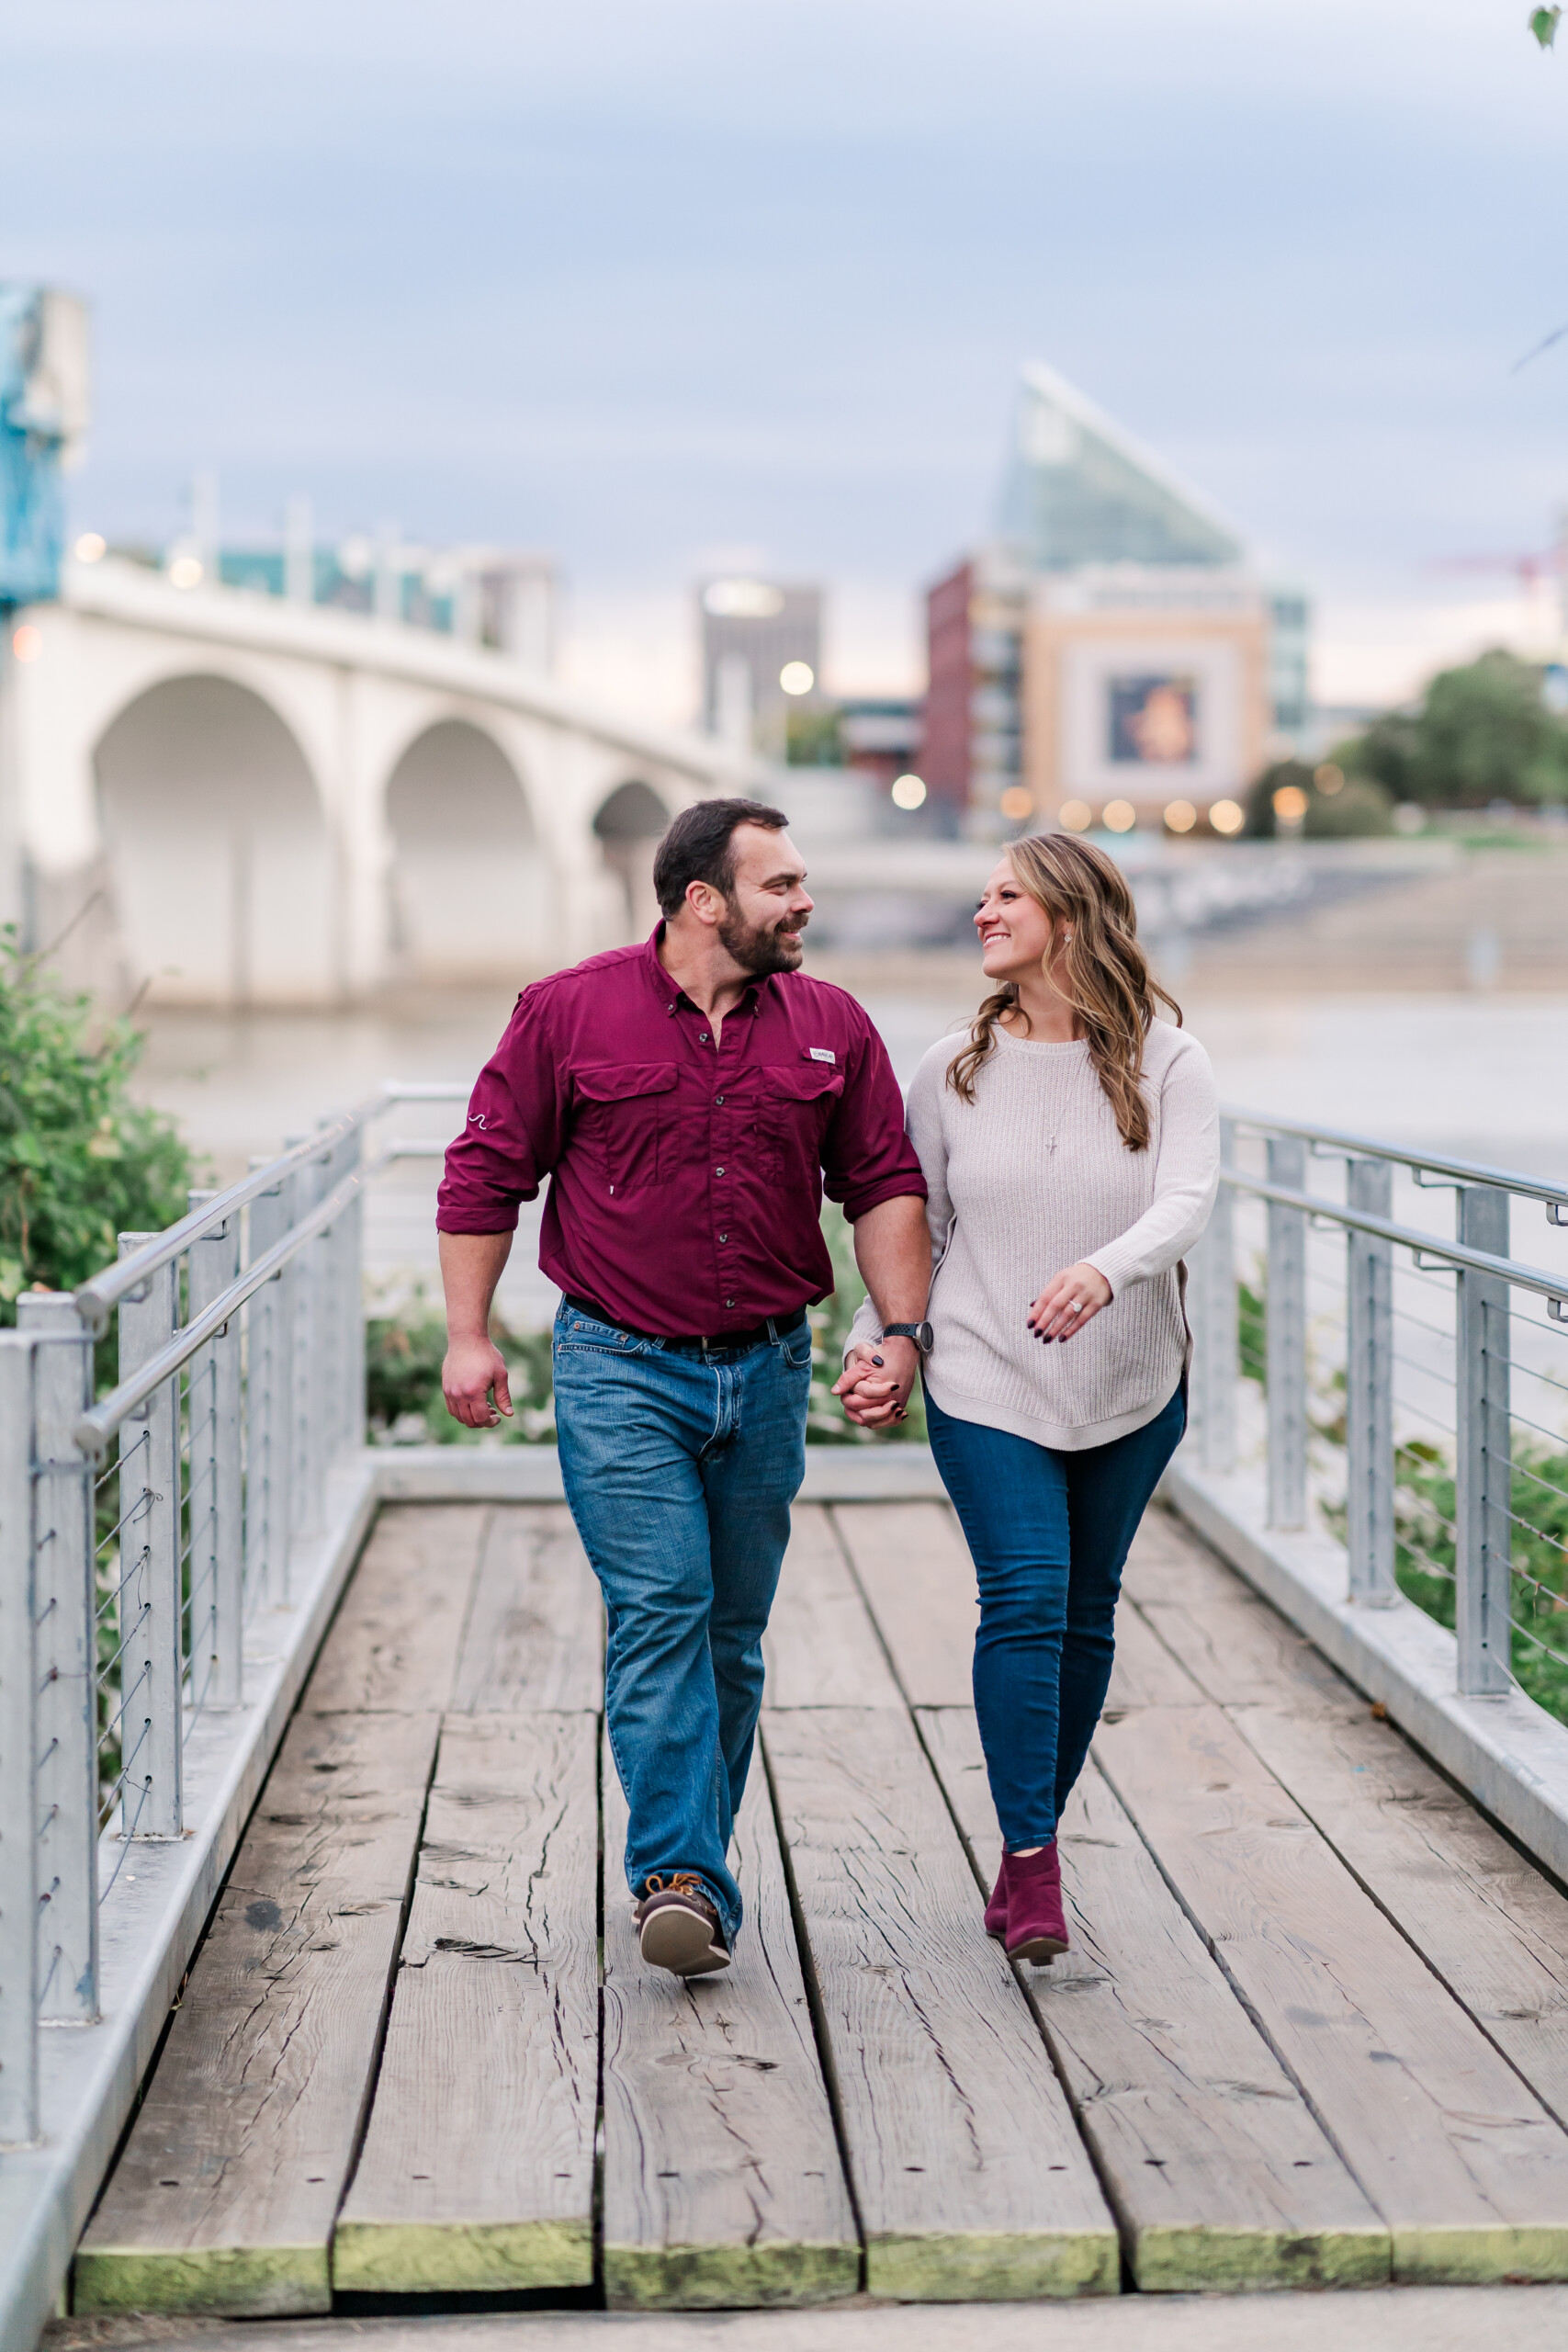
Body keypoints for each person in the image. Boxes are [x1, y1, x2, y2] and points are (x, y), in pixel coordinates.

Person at [436, 798, 931, 1979]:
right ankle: (681, 1876)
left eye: (803, 882)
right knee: (662, 1611)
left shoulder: (831, 1025)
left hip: (769, 1368)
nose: (805, 901)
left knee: (732, 1634)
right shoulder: (569, 1011)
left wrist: (901, 1332)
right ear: (703, 899)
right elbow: (486, 1171)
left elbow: (885, 1182)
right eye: (782, 885)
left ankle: (689, 1859)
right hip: (619, 1365)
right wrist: (468, 1334)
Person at [837, 832, 1218, 1964]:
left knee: (1088, 1610)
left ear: (1070, 910)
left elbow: (1189, 1196)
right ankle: (1038, 1861)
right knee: (1027, 1598)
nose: (982, 910)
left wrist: (1110, 1267)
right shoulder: (951, 1066)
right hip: (984, 1371)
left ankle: (1020, 1846)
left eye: (1007, 894)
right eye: (985, 892)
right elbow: (918, 1228)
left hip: (1133, 1378)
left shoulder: (1169, 1061)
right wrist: (881, 1340)